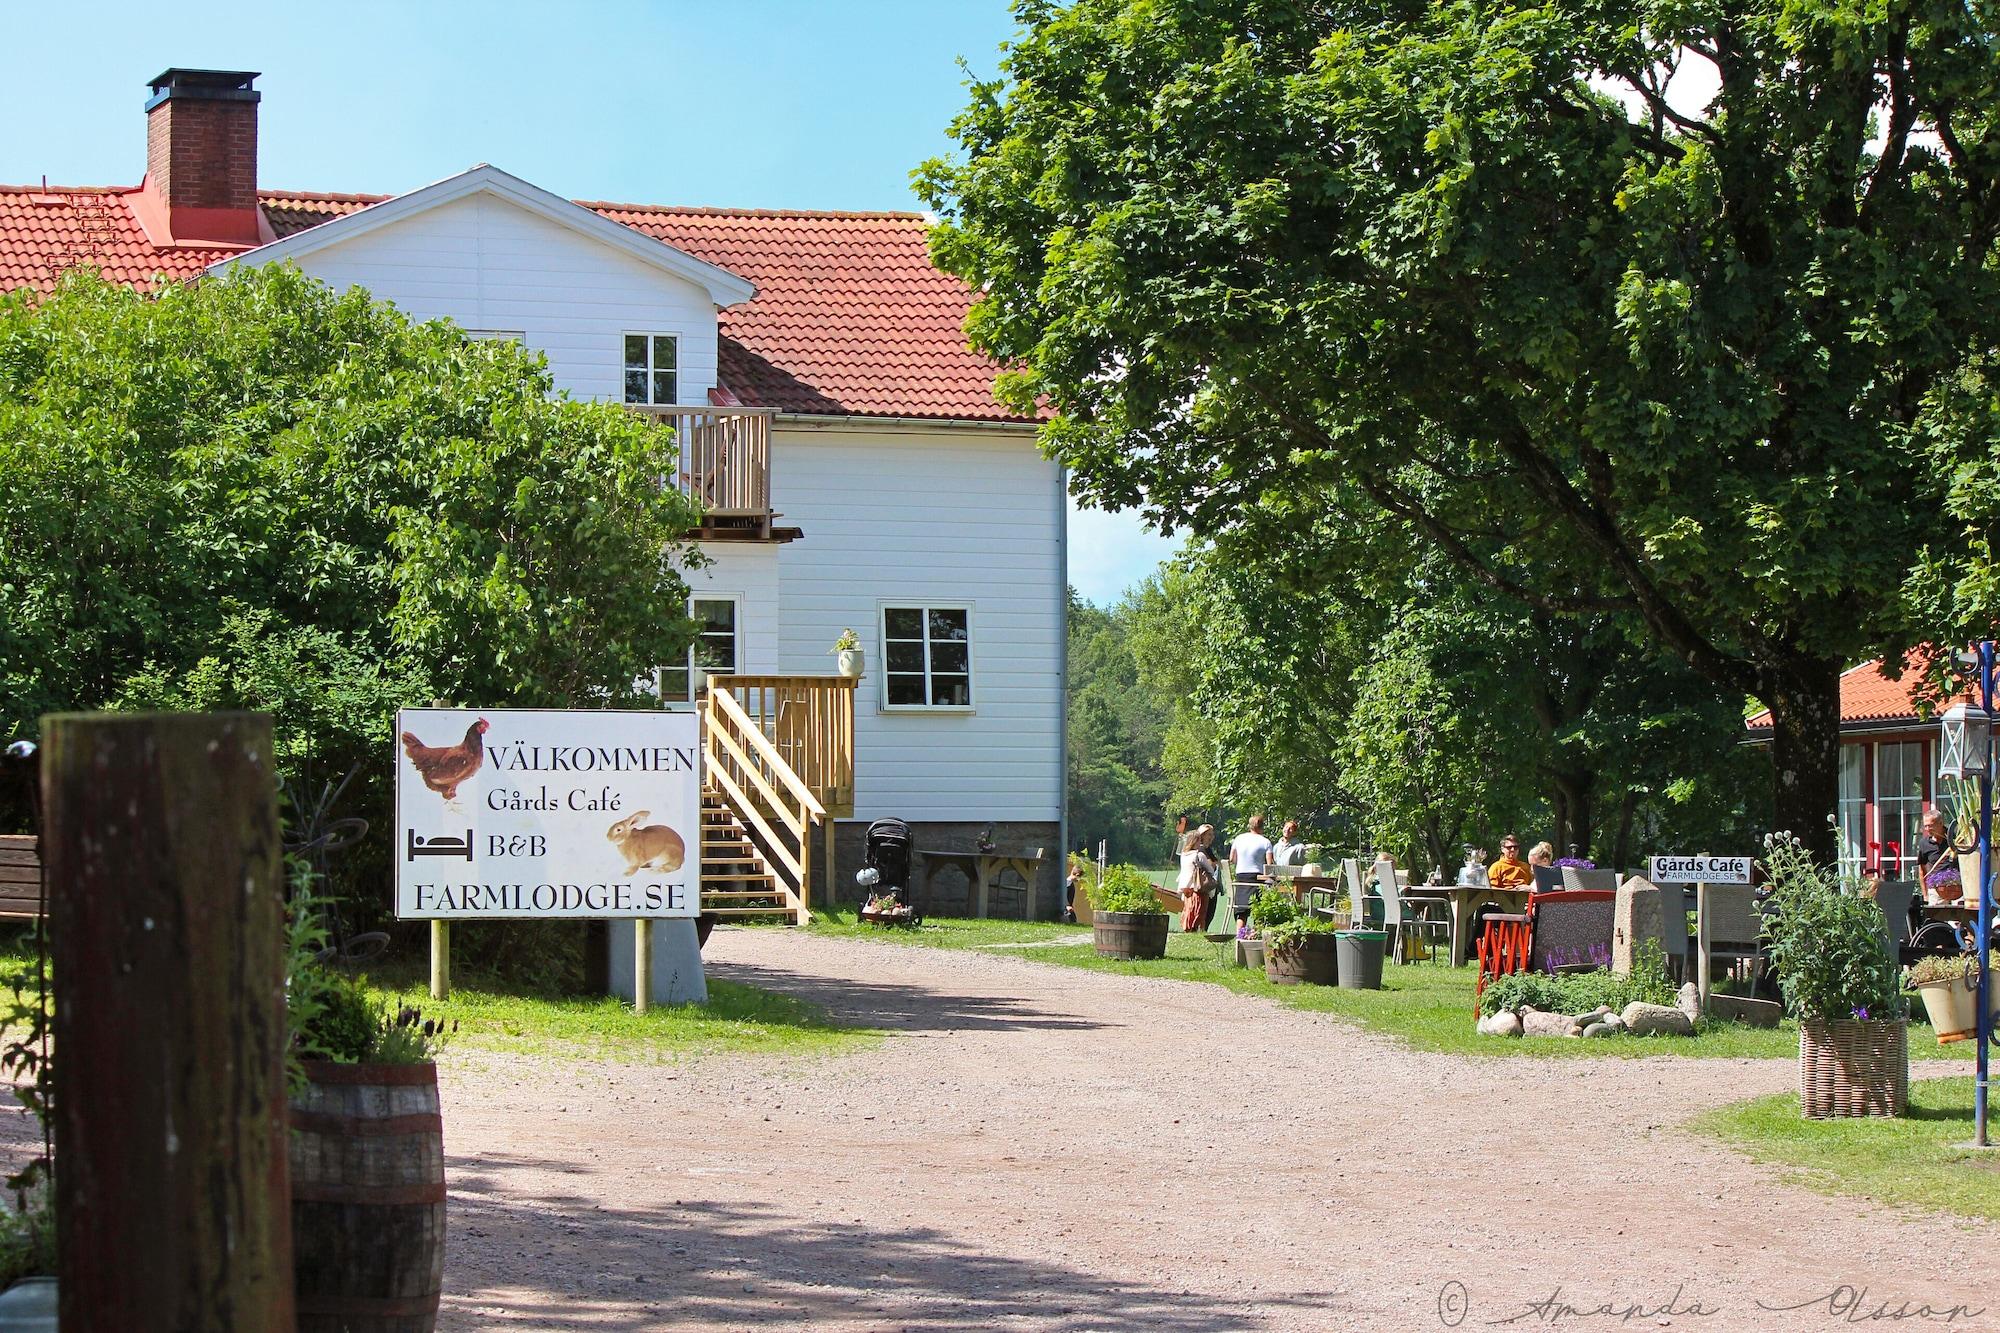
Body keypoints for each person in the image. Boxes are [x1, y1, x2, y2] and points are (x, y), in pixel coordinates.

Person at [1229, 814, 1274, 926]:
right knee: (1259, 908)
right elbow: (1269, 865)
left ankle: (1240, 935)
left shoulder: (1239, 838)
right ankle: (1257, 933)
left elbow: (1231, 858)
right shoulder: (1265, 842)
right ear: (1262, 827)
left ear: (1249, 826)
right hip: (1257, 879)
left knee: (1242, 910)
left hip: (1241, 878)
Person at [1177, 825, 1218, 934]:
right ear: (1195, 841)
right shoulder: (1199, 855)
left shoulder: (1183, 855)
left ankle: (1188, 928)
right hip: (1198, 887)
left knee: (1188, 910)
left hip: (1185, 887)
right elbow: (1211, 870)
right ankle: (1199, 931)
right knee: (1200, 911)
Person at [1914, 807, 1958, 903]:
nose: (1927, 829)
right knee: (1936, 917)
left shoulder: (1955, 839)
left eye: (1931, 826)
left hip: (1958, 888)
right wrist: (1925, 894)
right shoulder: (1924, 843)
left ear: (1941, 823)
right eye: (1925, 826)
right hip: (1936, 889)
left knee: (1959, 917)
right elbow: (1922, 870)